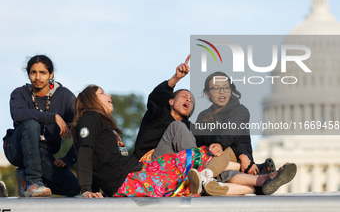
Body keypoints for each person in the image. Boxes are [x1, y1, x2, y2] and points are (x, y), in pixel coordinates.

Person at [72, 85, 296, 198]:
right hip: (139, 172)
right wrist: (85, 189)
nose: (108, 96)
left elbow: (95, 157)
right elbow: (85, 151)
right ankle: (251, 175)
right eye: (102, 94)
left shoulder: (101, 124)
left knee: (194, 186)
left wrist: (244, 152)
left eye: (191, 98)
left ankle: (258, 184)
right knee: (213, 153)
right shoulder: (92, 118)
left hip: (137, 178)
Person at [132, 55, 233, 195]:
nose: (188, 99)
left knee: (222, 148)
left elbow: (211, 138)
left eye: (191, 100)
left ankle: (254, 177)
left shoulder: (189, 128)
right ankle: (201, 176)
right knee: (177, 127)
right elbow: (155, 99)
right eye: (184, 96)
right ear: (171, 101)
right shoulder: (157, 115)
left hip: (174, 170)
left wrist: (221, 146)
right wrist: (176, 78)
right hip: (150, 166)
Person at [3, 55, 80, 197]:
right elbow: (18, 114)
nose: (37, 77)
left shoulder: (65, 97)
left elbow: (81, 130)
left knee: (73, 188)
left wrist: (69, 158)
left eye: (43, 73)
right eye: (33, 72)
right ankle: (33, 182)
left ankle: (25, 177)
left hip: (42, 154)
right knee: (31, 124)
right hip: (16, 149)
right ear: (28, 74)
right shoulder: (19, 93)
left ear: (51, 74)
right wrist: (53, 117)